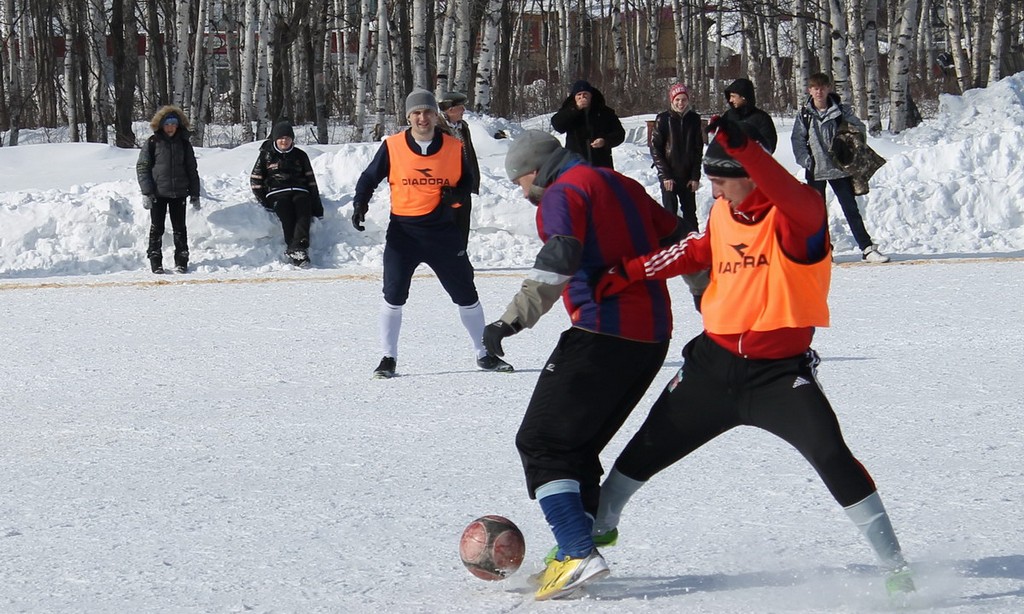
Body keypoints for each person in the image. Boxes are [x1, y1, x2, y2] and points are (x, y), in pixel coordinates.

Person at [591, 116, 915, 599]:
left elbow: (802, 199)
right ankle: (596, 532)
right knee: (646, 448)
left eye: (721, 182)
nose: (715, 193)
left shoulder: (795, 224)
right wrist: (632, 271)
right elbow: (696, 249)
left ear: (749, 175)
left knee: (831, 455)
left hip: (778, 377)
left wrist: (748, 150)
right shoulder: (722, 213)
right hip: (712, 367)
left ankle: (894, 566)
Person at [482, 130, 684, 601]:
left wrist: (510, 320)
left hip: (602, 332)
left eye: (519, 182)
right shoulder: (620, 183)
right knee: (578, 446)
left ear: (535, 170)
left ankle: (576, 551)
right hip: (652, 337)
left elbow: (559, 259)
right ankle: (577, 544)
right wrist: (704, 295)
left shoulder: (562, 192)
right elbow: (677, 236)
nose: (522, 192)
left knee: (542, 442)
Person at [351, 88, 513, 379]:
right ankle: (388, 358)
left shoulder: (453, 146)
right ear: (408, 117)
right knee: (393, 294)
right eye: (416, 113)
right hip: (404, 233)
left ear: (434, 115)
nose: (422, 118)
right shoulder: (393, 146)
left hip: (442, 233)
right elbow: (369, 177)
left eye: (427, 112)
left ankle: (483, 353)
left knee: (466, 292)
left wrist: (457, 197)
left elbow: (468, 182)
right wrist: (360, 202)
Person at [792, 72, 890, 263]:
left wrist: (845, 140)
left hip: (839, 168)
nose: (819, 92)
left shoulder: (841, 111)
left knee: (850, 209)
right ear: (809, 90)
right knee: (817, 215)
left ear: (828, 88)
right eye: (815, 88)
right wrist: (806, 160)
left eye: (822, 87)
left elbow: (859, 129)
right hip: (816, 169)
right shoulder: (804, 115)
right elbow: (797, 140)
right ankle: (823, 251)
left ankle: (867, 248)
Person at [136, 105, 200, 274]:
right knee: (157, 228)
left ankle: (182, 259)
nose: (170, 127)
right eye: (167, 123)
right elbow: (143, 167)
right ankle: (155, 260)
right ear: (161, 125)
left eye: (174, 123)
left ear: (178, 125)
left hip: (179, 193)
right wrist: (147, 192)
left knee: (180, 228)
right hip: (158, 193)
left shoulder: (184, 144)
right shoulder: (152, 142)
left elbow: (192, 169)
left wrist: (195, 193)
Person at [250, 120, 324, 266]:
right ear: (275, 139)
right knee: (286, 213)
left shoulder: (300, 155)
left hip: (300, 191)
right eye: (281, 138)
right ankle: (296, 248)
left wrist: (317, 205)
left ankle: (299, 247)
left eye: (288, 138)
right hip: (277, 193)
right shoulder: (266, 155)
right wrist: (263, 200)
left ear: (292, 140)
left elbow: (311, 181)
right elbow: (256, 179)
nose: (284, 141)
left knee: (303, 211)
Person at [650, 82, 704, 234]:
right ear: (672, 100)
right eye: (677, 100)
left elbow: (697, 150)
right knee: (670, 214)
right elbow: (655, 149)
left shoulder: (694, 119)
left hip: (687, 175)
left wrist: (695, 176)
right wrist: (666, 175)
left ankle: (695, 243)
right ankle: (671, 246)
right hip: (669, 175)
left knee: (690, 214)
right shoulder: (663, 119)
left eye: (684, 100)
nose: (681, 103)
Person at [550, 80, 625, 169]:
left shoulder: (604, 112)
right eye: (579, 95)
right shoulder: (568, 110)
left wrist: (605, 141)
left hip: (601, 162)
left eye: (585, 94)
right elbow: (557, 125)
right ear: (574, 97)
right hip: (576, 163)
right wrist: (575, 109)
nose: (582, 97)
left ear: (590, 95)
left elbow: (619, 134)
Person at [438, 91, 480, 247]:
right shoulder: (437, 129)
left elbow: (470, 154)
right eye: (461, 107)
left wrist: (473, 178)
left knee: (462, 226)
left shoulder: (463, 128)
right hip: (446, 188)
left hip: (464, 184)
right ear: (450, 109)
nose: (464, 111)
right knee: (447, 226)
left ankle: (460, 256)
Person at [722, 77, 778, 153]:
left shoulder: (762, 118)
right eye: (730, 96)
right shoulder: (728, 116)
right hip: (728, 163)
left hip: (752, 162)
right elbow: (718, 142)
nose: (730, 100)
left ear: (743, 97)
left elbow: (768, 146)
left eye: (733, 96)